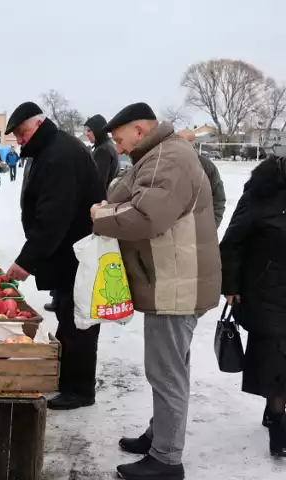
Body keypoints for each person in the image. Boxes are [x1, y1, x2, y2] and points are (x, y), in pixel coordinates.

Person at [91, 103, 221, 480]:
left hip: (175, 283)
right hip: (171, 279)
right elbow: (127, 195)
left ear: (139, 129)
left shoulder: (169, 158)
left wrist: (101, 218)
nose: (117, 147)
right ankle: (159, 434)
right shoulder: (159, 154)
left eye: (119, 139)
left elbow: (146, 216)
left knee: (166, 374)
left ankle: (166, 459)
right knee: (168, 369)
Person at [5, 101, 106, 411]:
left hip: (77, 253)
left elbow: (54, 218)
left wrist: (26, 261)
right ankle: (69, 381)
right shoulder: (52, 149)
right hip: (68, 254)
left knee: (78, 321)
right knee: (67, 317)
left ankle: (79, 390)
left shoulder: (60, 155)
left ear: (38, 124)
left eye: (22, 133)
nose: (20, 141)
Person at [220, 156, 286, 457]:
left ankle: (274, 408)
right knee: (274, 357)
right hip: (266, 288)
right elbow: (232, 242)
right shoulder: (260, 193)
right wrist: (231, 286)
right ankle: (278, 424)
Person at [177, 129, 226, 228]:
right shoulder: (164, 164)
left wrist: (212, 226)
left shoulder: (206, 166)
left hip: (198, 229)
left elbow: (218, 199)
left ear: (192, 143)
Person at [84, 114, 119, 189]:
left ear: (98, 130)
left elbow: (97, 183)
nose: (86, 134)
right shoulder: (108, 145)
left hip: (101, 199)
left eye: (89, 130)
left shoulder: (103, 150)